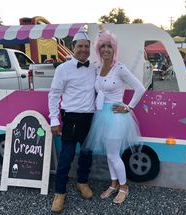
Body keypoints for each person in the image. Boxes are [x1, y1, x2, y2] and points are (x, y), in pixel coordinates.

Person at [82, 28, 146, 204]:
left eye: (109, 47)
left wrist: (129, 107)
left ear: (114, 49)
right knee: (110, 154)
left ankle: (124, 187)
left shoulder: (120, 68)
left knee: (112, 155)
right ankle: (113, 184)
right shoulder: (100, 67)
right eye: (103, 47)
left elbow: (140, 88)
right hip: (102, 114)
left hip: (116, 117)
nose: (106, 50)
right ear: (99, 49)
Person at [48, 29, 96, 213]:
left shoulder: (94, 68)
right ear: (72, 47)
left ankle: (82, 182)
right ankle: (60, 192)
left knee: (86, 155)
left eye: (86, 46)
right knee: (66, 156)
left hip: (90, 118)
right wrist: (54, 119)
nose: (83, 49)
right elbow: (54, 95)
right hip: (71, 118)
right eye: (80, 46)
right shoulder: (62, 69)